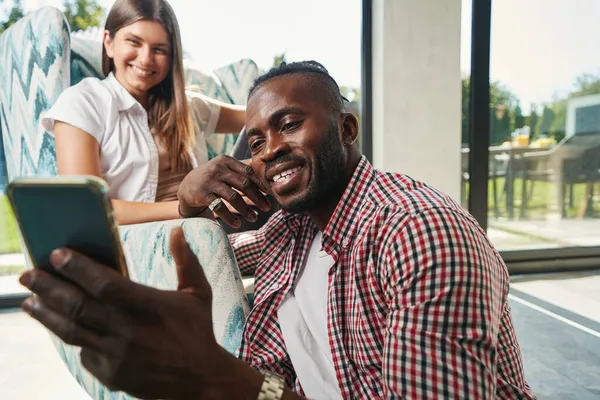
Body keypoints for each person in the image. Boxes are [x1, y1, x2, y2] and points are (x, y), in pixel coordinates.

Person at [20, 61, 536, 399]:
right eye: (257, 141)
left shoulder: (419, 233)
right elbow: (199, 256)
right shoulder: (290, 232)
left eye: (289, 125)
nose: (271, 151)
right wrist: (188, 206)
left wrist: (214, 377)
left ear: (347, 129)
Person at [41, 0, 246, 226]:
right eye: (133, 42)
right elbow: (87, 210)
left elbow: (255, 115)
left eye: (159, 49)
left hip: (217, 229)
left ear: (172, 57)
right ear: (108, 43)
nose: (146, 59)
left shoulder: (188, 107)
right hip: (145, 243)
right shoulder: (82, 102)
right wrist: (196, 208)